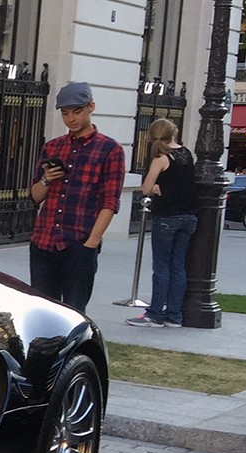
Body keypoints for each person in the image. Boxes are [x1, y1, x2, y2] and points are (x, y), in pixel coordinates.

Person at [28, 81, 125, 315]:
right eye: (65, 112)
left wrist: (91, 242)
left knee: (74, 312)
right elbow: (34, 196)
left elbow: (110, 202)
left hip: (78, 242)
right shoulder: (52, 147)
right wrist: (46, 179)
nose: (70, 118)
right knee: (42, 310)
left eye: (77, 111)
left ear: (91, 107)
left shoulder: (110, 150)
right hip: (44, 240)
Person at [126, 118, 197, 328]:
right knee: (178, 266)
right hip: (189, 216)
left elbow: (146, 188)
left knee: (161, 267)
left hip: (167, 216)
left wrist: (156, 186)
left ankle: (155, 313)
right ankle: (174, 315)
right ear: (173, 132)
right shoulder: (186, 154)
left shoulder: (161, 157)